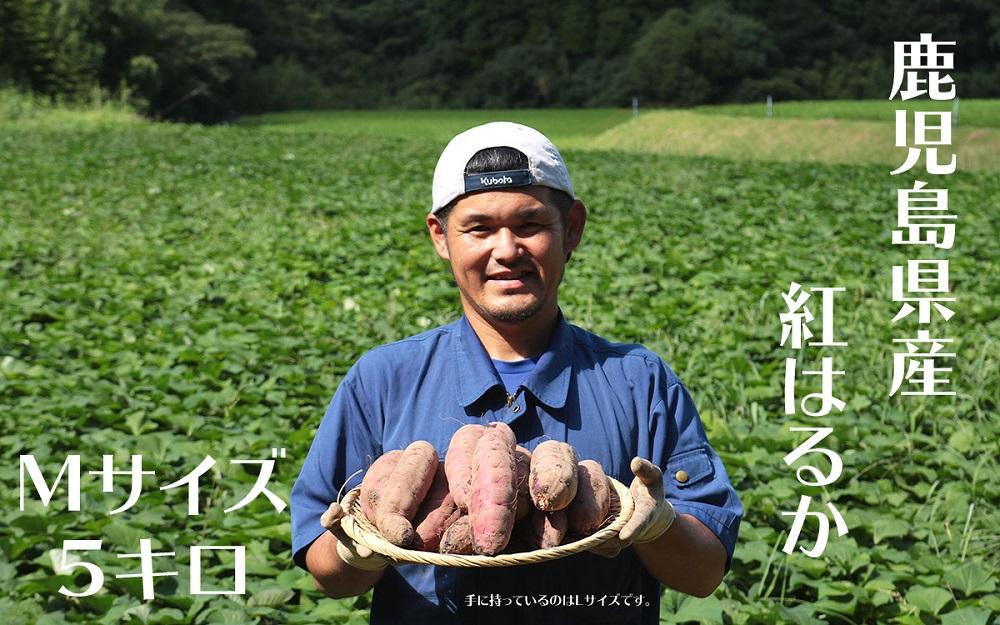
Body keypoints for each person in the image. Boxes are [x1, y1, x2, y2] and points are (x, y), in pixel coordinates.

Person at [290, 121, 742, 624]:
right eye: (479, 228)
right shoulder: (382, 379)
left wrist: (658, 526)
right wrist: (357, 549)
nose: (506, 251)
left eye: (529, 225)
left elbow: (704, 575)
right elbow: (325, 574)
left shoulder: (641, 382)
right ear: (441, 237)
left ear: (571, 228)